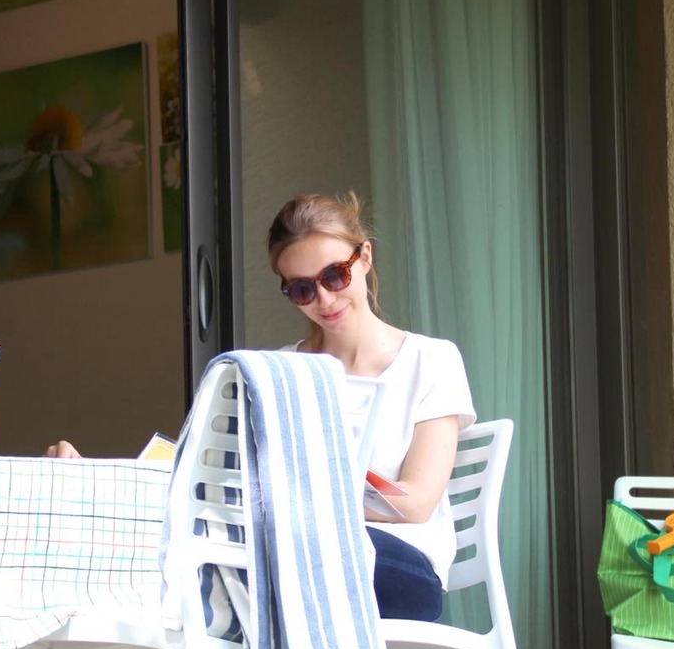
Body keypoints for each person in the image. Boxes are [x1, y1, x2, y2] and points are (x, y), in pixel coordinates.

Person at [47, 191, 476, 622]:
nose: (324, 300)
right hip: (280, 553)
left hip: (396, 566)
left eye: (335, 276)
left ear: (364, 257)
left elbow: (417, 502)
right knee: (206, 541)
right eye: (303, 289)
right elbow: (212, 481)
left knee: (233, 551)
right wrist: (105, 484)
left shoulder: (430, 359)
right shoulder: (277, 372)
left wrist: (286, 499)